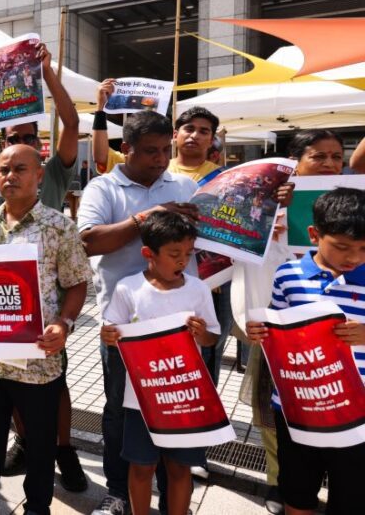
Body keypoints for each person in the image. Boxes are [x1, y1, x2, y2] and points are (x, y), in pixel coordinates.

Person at [0, 54, 88, 489]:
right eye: (10, 145)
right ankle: (24, 447)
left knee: (52, 398)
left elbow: (71, 122)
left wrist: (47, 75)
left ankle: (61, 454)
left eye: (26, 142)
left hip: (41, 344)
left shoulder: (56, 177)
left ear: (39, 161)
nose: (10, 174)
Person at [77, 111, 199, 515]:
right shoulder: (104, 187)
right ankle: (118, 491)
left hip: (180, 325)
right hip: (124, 328)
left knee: (176, 404)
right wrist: (147, 216)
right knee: (119, 410)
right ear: (125, 148)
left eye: (167, 150)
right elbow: (89, 242)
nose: (162, 159)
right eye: (150, 151)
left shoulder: (185, 184)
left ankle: (172, 489)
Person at [232, 129, 345, 514]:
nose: (330, 164)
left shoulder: (354, 206)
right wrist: (272, 215)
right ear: (294, 164)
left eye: (336, 156)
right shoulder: (265, 208)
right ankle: (281, 484)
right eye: (318, 156)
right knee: (273, 412)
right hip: (282, 335)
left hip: (343, 338)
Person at [245, 187, 365, 515]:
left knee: (352, 498)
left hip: (356, 415)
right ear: (314, 235)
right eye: (341, 247)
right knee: (297, 494)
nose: (353, 258)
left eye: (363, 249)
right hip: (297, 409)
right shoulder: (289, 275)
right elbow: (275, 326)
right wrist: (258, 331)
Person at [100, 211, 220, 515]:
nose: (182, 261)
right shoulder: (128, 288)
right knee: (141, 468)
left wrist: (202, 333)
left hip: (185, 398)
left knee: (180, 469)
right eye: (174, 254)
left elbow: (212, 339)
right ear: (148, 254)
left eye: (188, 254)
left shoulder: (198, 289)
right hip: (141, 399)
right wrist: (109, 334)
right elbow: (111, 332)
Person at [0, 42, 81, 211]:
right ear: (3, 145)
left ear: (38, 144)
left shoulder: (54, 172)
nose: (21, 143)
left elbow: (71, 125)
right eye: (13, 139)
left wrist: (46, 72)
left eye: (28, 138)